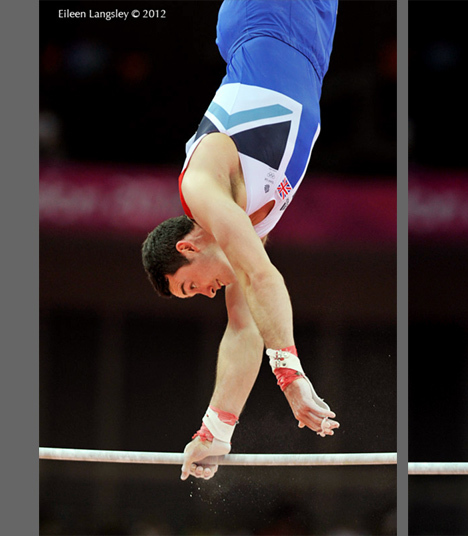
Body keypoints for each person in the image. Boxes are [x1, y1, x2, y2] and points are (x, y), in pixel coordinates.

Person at [141, 0, 340, 481]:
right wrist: (215, 430)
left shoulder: (202, 189)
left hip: (266, 19)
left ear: (187, 248)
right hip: (312, 47)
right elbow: (243, 326)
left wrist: (291, 379)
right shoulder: (241, 232)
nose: (207, 294)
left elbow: (260, 275)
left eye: (191, 286)